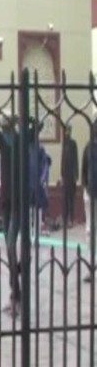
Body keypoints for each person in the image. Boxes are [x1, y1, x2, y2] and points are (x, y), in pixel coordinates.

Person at [0, 115, 23, 317]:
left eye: (9, 125)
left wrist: (20, 119)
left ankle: (16, 291)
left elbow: (38, 124)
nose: (6, 128)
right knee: (9, 250)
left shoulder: (20, 139)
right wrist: (2, 119)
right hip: (7, 202)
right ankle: (15, 292)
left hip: (19, 202)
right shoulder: (3, 141)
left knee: (10, 246)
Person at [81, 121, 97, 283]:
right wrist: (86, 187)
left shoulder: (89, 147)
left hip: (90, 191)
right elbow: (84, 170)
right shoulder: (88, 147)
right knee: (90, 231)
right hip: (90, 193)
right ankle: (91, 268)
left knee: (90, 231)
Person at [61, 124, 79, 227]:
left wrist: (76, 175)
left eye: (68, 131)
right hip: (65, 176)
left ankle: (72, 219)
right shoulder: (64, 144)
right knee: (65, 199)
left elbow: (76, 160)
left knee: (71, 199)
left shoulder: (73, 144)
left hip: (71, 176)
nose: (67, 133)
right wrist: (61, 175)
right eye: (66, 131)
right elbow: (62, 161)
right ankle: (66, 219)